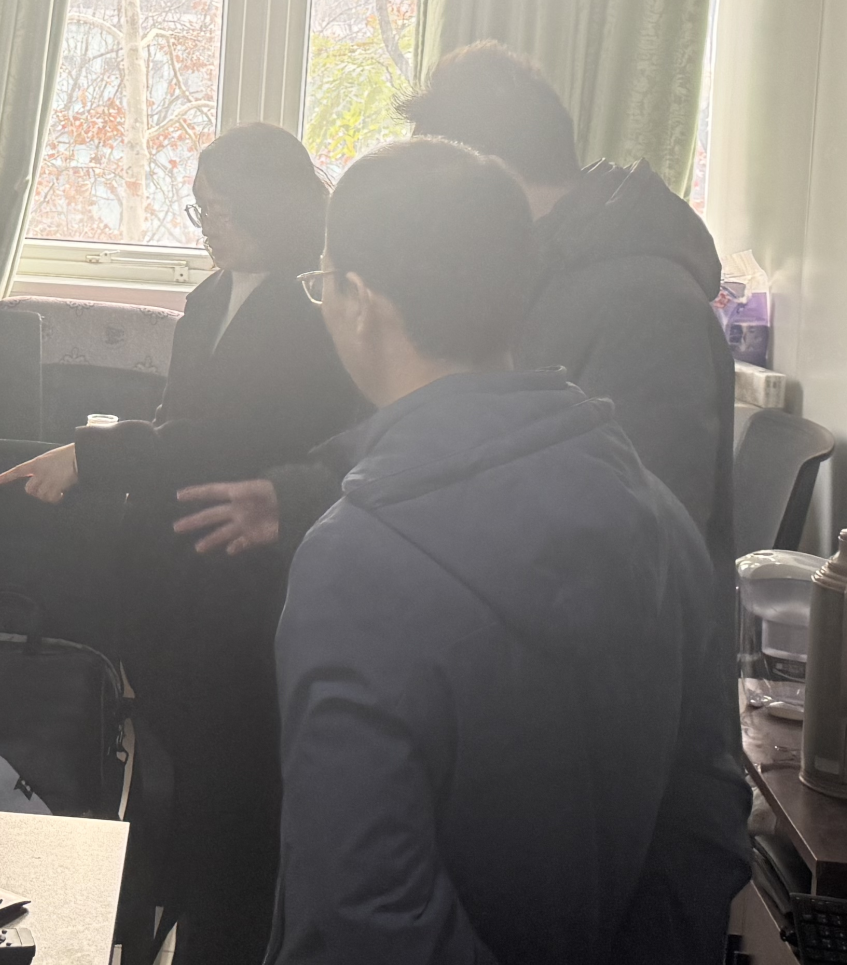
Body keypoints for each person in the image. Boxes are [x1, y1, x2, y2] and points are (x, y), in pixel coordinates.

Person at [268, 138, 750, 965]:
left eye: (324, 282)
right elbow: (706, 820)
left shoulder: (356, 560)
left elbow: (367, 907)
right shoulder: (660, 515)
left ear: (358, 300)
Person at [0, 122, 363, 965]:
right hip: (173, 587)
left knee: (234, 811)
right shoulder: (207, 299)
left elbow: (232, 441)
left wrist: (94, 455)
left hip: (250, 586)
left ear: (271, 206)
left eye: (220, 209)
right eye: (199, 207)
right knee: (182, 794)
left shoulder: (312, 307)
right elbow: (178, 426)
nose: (206, 226)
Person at [173, 42, 735, 575]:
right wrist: (298, 498)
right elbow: (428, 432)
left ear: (486, 177)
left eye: (428, 191)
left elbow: (638, 554)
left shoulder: (650, 307)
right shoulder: (506, 270)